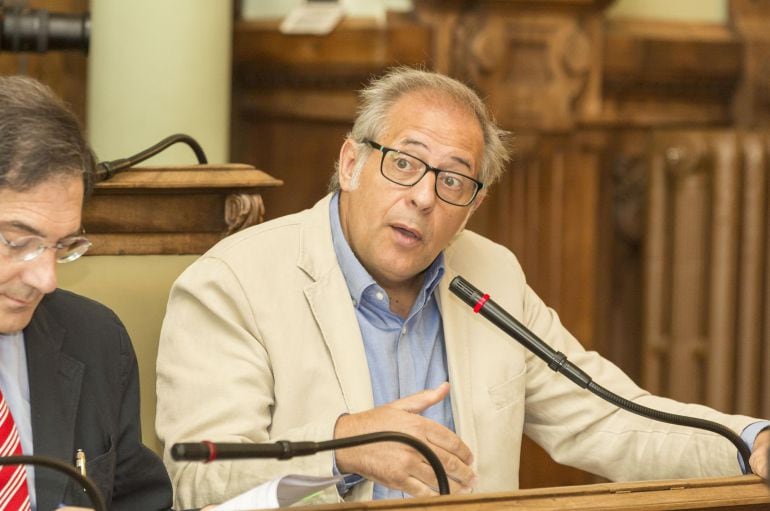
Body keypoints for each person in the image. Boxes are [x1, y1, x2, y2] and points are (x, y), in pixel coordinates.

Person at [156, 67, 770, 508]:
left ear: (471, 207)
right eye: (404, 162)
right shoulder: (232, 284)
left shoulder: (490, 275)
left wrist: (749, 443)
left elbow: (608, 416)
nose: (424, 196)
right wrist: (341, 450)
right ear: (351, 164)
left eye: (454, 181)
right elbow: (202, 486)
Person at [0, 75, 173, 510]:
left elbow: (141, 501)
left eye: (62, 246)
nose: (47, 279)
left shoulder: (93, 338)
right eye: (18, 241)